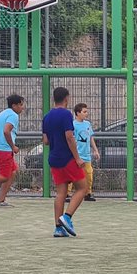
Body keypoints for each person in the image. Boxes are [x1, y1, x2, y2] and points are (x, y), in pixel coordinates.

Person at [41, 86, 88, 237]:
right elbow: (69, 136)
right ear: (66, 98)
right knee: (82, 188)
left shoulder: (47, 117)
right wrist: (77, 158)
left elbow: (46, 141)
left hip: (54, 159)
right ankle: (67, 217)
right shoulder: (66, 114)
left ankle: (58, 228)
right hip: (67, 158)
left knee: (61, 192)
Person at [68, 102, 100, 205]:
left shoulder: (87, 124)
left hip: (87, 156)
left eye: (87, 111)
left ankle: (88, 193)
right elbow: (70, 139)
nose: (86, 113)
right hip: (76, 156)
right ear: (78, 113)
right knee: (72, 175)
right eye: (84, 112)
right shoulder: (73, 125)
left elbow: (90, 138)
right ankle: (68, 194)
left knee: (89, 175)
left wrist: (95, 150)